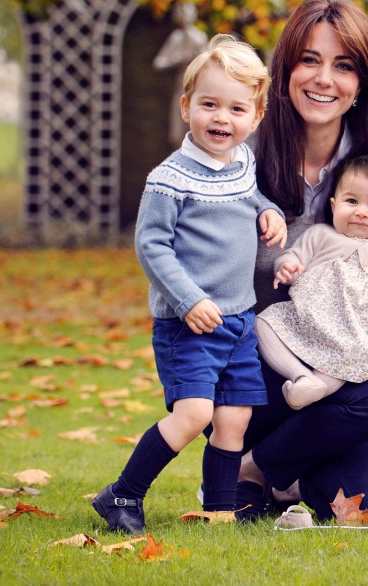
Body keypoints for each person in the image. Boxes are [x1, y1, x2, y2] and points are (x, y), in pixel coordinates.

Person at [217, 0, 368, 524]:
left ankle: (258, 470)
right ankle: (261, 464)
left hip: (342, 382)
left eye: (343, 66)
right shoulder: (238, 158)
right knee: (354, 398)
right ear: (285, 67)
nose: (323, 80)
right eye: (309, 60)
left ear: (362, 83)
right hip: (255, 372)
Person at [92, 34, 287, 533]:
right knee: (195, 412)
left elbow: (251, 198)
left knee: (234, 420)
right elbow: (151, 246)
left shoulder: (242, 163)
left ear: (256, 116)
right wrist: (188, 299)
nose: (222, 118)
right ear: (186, 108)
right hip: (190, 323)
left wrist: (269, 211)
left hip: (239, 319)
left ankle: (220, 510)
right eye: (209, 105)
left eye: (236, 108)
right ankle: (122, 495)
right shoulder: (169, 178)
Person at [257, 155, 368, 410]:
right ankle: (301, 377)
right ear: (333, 205)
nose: (361, 212)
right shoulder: (320, 236)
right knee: (263, 323)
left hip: (362, 330)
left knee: (353, 353)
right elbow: (293, 257)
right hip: (309, 319)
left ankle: (318, 385)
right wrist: (287, 267)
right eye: (351, 201)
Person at [153, 2, 209, 146]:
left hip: (200, 86)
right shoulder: (177, 37)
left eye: (188, 12)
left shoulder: (199, 37)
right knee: (178, 130)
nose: (185, 16)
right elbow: (159, 62)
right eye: (182, 12)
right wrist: (178, 58)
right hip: (182, 86)